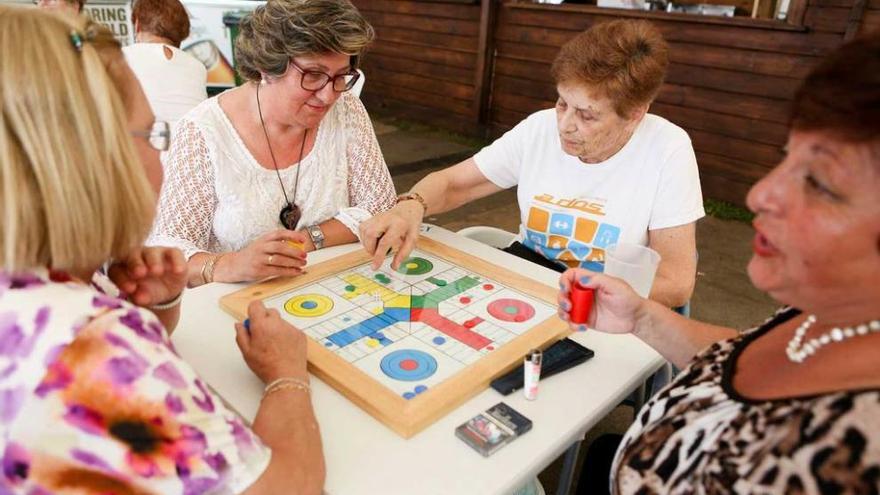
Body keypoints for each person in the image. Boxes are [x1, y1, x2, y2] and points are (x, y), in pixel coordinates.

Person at [0, 8, 324, 494]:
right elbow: (290, 488)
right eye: (152, 135)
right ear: (89, 159)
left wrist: (157, 305)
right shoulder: (90, 344)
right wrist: (286, 375)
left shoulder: (43, 278)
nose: (160, 156)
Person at [558, 35, 880, 494]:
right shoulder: (827, 313)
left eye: (820, 182)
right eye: (786, 159)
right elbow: (745, 359)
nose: (760, 195)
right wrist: (644, 317)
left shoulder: (857, 452)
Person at [360, 20, 703, 309]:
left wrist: (580, 293)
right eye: (562, 102)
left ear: (636, 114)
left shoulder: (667, 149)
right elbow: (455, 184)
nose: (566, 124)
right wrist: (411, 205)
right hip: (529, 279)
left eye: (587, 115)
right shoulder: (539, 128)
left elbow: (675, 283)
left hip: (605, 302)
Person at [147, 0, 396, 286]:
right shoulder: (202, 133)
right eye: (313, 75)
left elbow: (381, 207)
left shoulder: (347, 109)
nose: (329, 96)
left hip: (335, 288)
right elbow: (169, 249)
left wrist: (306, 241)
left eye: (341, 76)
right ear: (266, 68)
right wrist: (227, 264)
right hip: (238, 303)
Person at [123, 0, 208, 125]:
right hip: (189, 142)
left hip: (140, 142)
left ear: (137, 25)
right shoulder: (197, 67)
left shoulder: (121, 57)